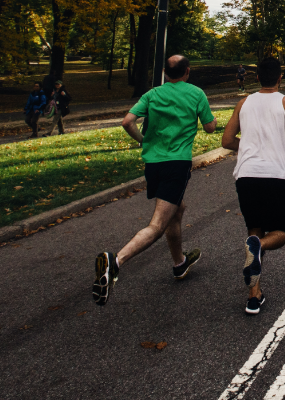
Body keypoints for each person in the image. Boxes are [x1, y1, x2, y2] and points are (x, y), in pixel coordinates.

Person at [91, 55, 217, 306]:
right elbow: (210, 128)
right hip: (176, 164)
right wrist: (207, 120)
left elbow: (127, 121)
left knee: (177, 210)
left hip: (153, 164)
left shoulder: (152, 94)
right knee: (158, 224)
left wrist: (142, 140)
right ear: (187, 72)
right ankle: (115, 262)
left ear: (164, 72)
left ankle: (179, 263)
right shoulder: (195, 93)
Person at [221, 57, 285, 315]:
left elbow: (226, 140)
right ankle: (260, 248)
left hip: (246, 176)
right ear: (280, 78)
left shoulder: (243, 102)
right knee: (280, 232)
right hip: (275, 176)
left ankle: (253, 296)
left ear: (256, 78)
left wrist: (247, 148)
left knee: (254, 230)